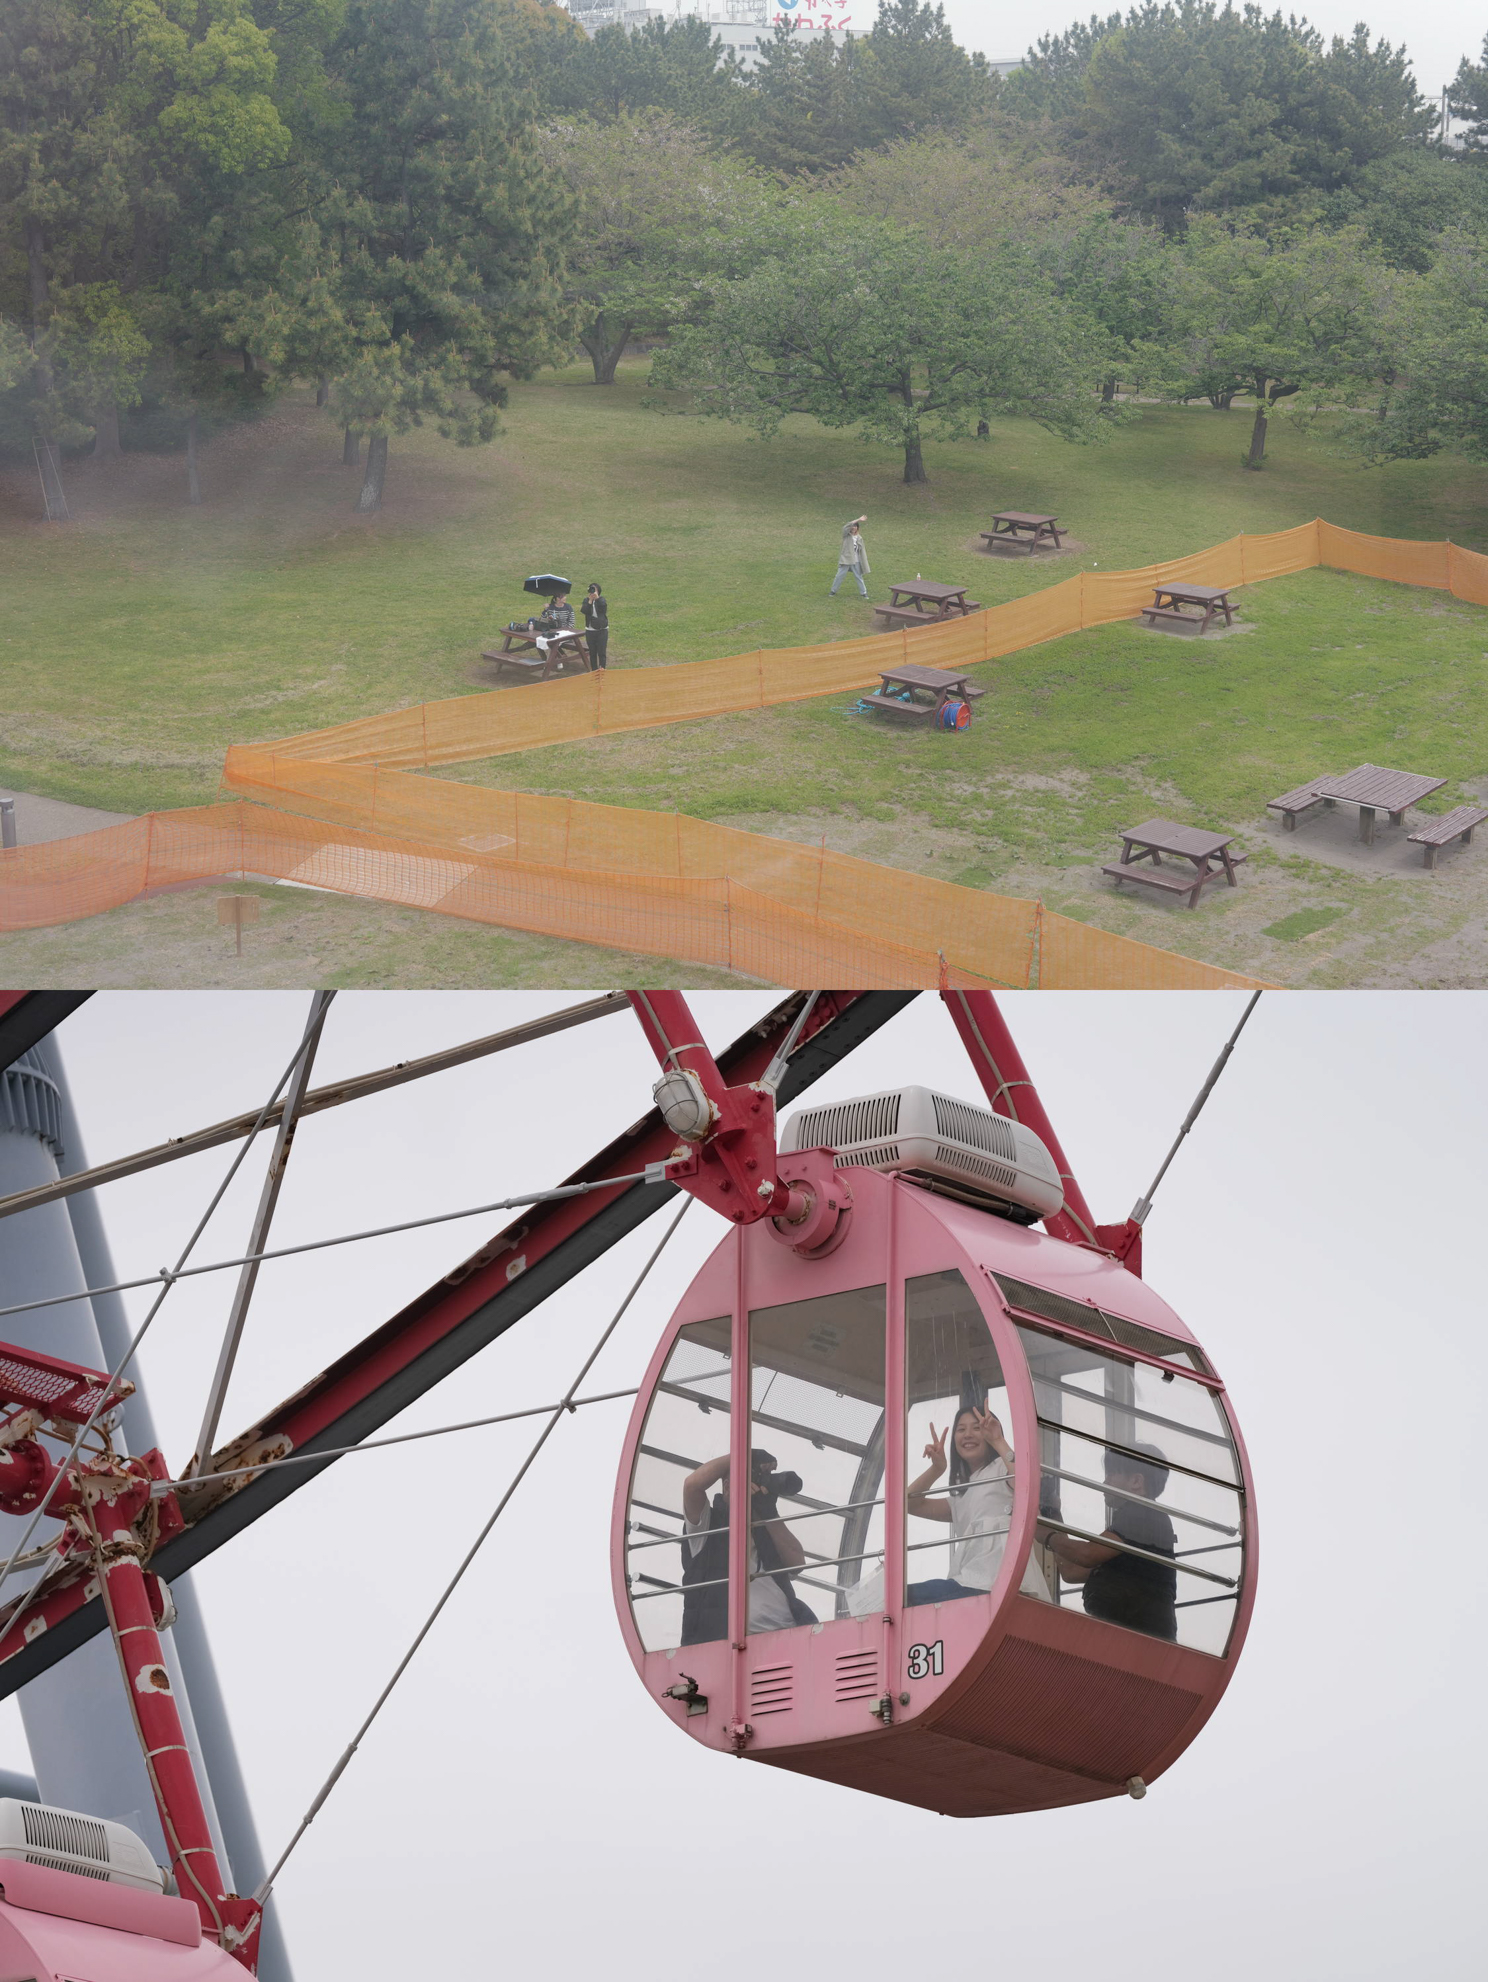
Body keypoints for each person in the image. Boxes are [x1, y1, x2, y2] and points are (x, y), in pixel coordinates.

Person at [1042, 1442, 1178, 1641]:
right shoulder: (1133, 1525)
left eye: (1111, 1475)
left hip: (1140, 1642)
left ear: (1136, 1482)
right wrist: (1053, 1514)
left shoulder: (1143, 1514)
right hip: (1133, 1638)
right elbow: (1072, 1570)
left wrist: (1047, 1537)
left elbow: (1086, 1555)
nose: (1104, 1483)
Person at [678, 1447, 814, 1644]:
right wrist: (746, 1453)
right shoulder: (708, 1526)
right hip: (729, 1643)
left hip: (787, 1632)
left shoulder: (764, 1523)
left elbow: (797, 1562)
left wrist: (768, 1511)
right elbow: (692, 1485)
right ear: (726, 1487)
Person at [905, 1404, 1020, 1605]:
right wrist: (937, 1469)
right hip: (968, 1583)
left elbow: (1026, 1483)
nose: (968, 1435)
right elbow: (907, 1504)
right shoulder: (960, 1497)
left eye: (977, 1428)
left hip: (994, 1583)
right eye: (961, 1429)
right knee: (896, 1596)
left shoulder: (1003, 1467)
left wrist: (998, 1440)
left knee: (900, 1597)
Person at [830, 515, 870, 597]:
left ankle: (864, 593)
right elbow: (846, 526)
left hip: (856, 561)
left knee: (858, 577)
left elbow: (861, 551)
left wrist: (863, 561)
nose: (853, 527)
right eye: (852, 526)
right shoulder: (846, 535)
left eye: (855, 526)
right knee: (839, 576)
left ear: (857, 528)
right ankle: (833, 591)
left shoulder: (859, 538)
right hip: (846, 560)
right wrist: (858, 519)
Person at [581, 582, 608, 670]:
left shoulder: (602, 600)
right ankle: (594, 670)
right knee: (592, 652)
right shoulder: (586, 600)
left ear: (598, 591)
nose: (592, 592)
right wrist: (589, 601)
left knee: (602, 652)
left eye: (594, 590)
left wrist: (597, 599)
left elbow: (603, 609)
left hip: (602, 630)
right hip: (590, 630)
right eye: (591, 589)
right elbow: (584, 611)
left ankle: (602, 669)